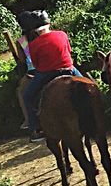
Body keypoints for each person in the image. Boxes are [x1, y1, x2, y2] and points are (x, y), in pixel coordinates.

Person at [19, 10, 83, 143]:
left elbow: (32, 63)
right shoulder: (62, 34)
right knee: (88, 85)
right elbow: (69, 51)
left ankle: (36, 128)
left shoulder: (25, 43)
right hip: (69, 69)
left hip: (44, 73)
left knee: (27, 96)